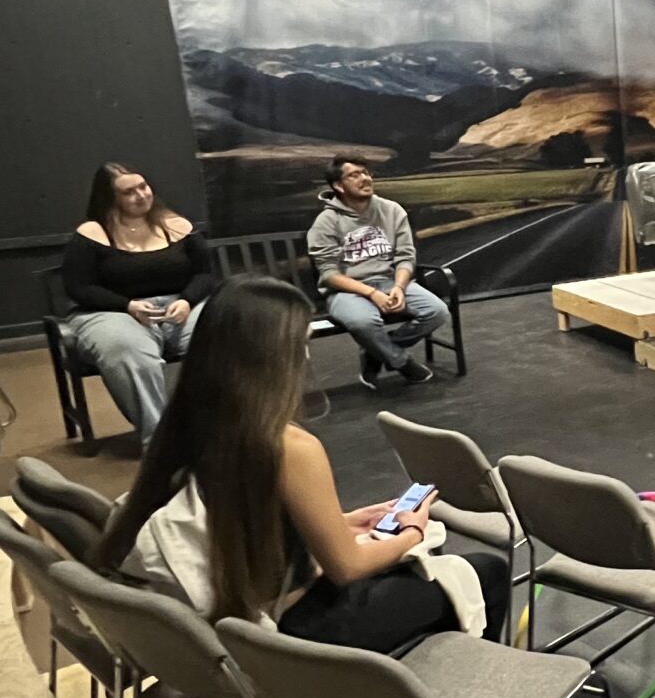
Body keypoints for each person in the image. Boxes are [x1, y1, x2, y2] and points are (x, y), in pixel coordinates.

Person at [96, 275, 507, 648]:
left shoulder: (191, 418)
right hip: (300, 632)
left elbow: (245, 517)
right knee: (483, 571)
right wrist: (413, 534)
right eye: (301, 346)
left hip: (238, 618)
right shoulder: (289, 445)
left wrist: (339, 522)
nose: (306, 359)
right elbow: (346, 567)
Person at [61, 163, 216, 447]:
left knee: (223, 334)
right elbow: (78, 287)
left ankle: (218, 425)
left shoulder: (176, 225)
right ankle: (161, 442)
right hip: (112, 311)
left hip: (180, 306)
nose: (141, 195)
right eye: (128, 192)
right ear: (110, 198)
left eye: (143, 186)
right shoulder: (91, 233)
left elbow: (204, 273)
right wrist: (127, 305)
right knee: (127, 350)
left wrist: (186, 300)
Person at [307, 157, 448, 389]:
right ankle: (401, 362)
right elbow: (330, 275)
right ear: (338, 186)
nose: (365, 178)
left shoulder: (392, 210)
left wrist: (399, 287)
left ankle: (377, 351)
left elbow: (405, 256)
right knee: (363, 322)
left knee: (437, 311)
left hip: (388, 281)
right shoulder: (326, 222)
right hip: (346, 290)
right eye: (354, 175)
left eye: (366, 172)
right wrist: (372, 294)